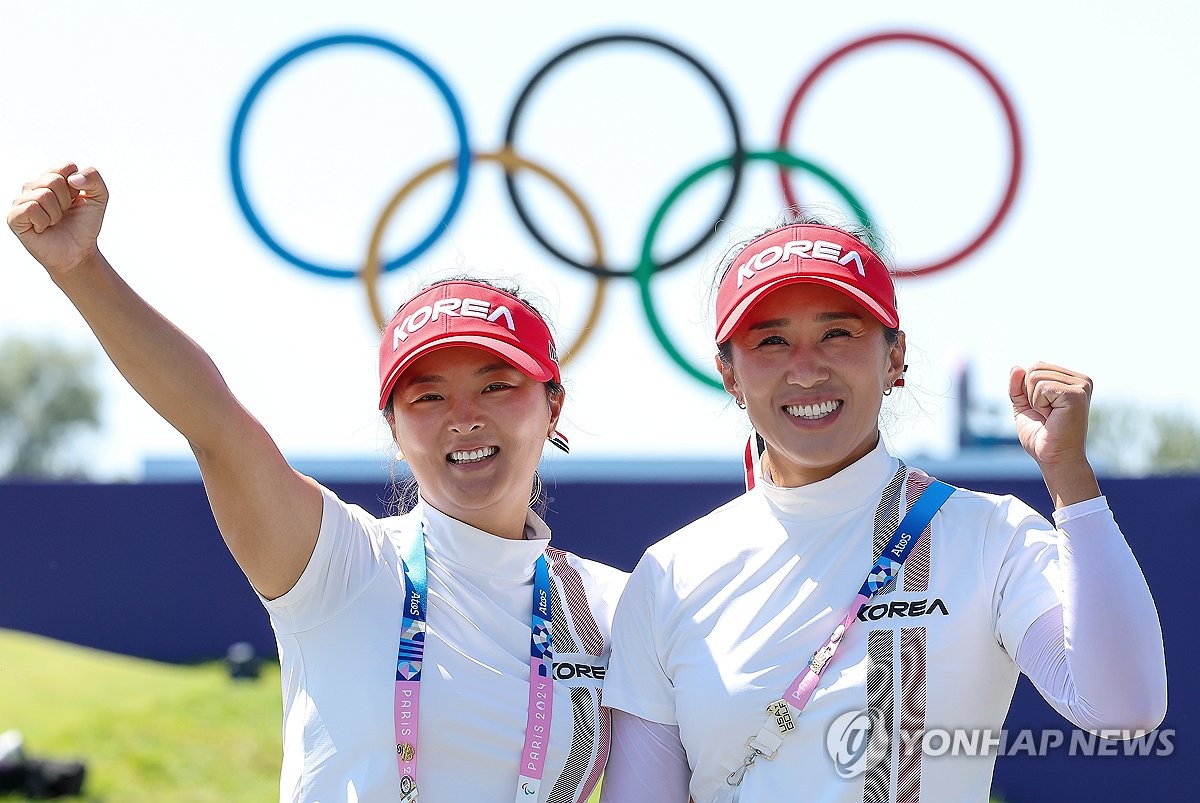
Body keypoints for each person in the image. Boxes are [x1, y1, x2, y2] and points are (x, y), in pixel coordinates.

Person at [8, 164, 627, 803]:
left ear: (552, 406)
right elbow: (214, 424)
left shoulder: (618, 609)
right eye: (428, 396)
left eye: (496, 386)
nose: (464, 418)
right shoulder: (343, 564)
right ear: (393, 427)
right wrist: (81, 270)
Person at [599, 213, 1167, 803]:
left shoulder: (988, 536)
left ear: (894, 358)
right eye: (771, 341)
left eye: (838, 333)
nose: (806, 367)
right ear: (729, 375)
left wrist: (1069, 478)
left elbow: (1124, 708)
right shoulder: (670, 577)